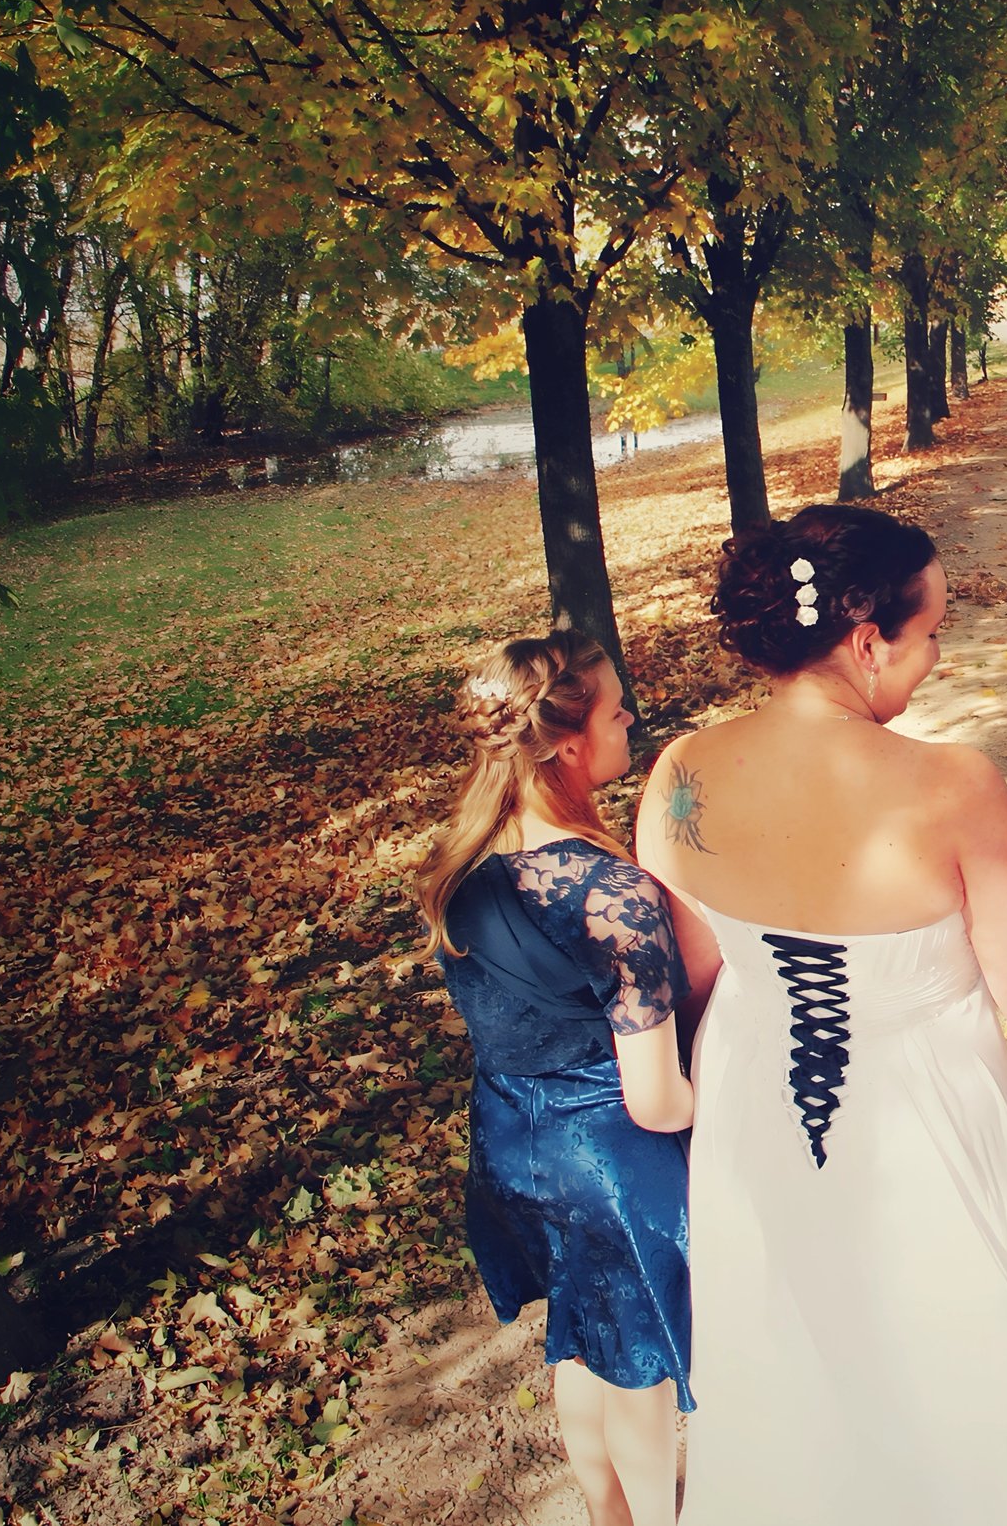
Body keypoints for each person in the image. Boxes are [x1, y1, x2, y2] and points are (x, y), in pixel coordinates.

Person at [634, 503, 1007, 1526]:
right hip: (926, 1112)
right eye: (931, 634)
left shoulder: (682, 772)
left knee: (792, 1346)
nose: (935, 656)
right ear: (868, 638)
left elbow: (692, 973)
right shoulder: (949, 785)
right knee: (959, 1344)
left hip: (754, 1102)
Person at [414, 630, 693, 1526]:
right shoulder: (613, 895)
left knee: (574, 1344)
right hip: (608, 1161)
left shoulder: (465, 868)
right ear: (571, 743)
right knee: (638, 1370)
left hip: (509, 1145)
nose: (632, 722)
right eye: (619, 710)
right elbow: (655, 1099)